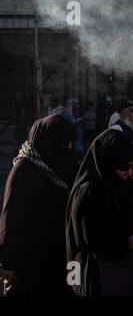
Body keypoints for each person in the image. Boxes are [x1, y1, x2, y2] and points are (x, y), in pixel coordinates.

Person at [66, 130, 133, 296]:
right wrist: (128, 242)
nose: (130, 172)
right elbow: (87, 241)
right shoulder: (89, 191)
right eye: (124, 167)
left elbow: (122, 224)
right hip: (97, 276)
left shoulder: (118, 185)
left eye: (132, 166)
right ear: (107, 162)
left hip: (120, 272)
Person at [0, 115, 77, 295]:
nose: (69, 148)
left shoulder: (71, 165)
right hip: (32, 260)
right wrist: (8, 263)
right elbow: (11, 219)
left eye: (70, 143)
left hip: (69, 259)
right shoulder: (25, 169)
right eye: (63, 144)